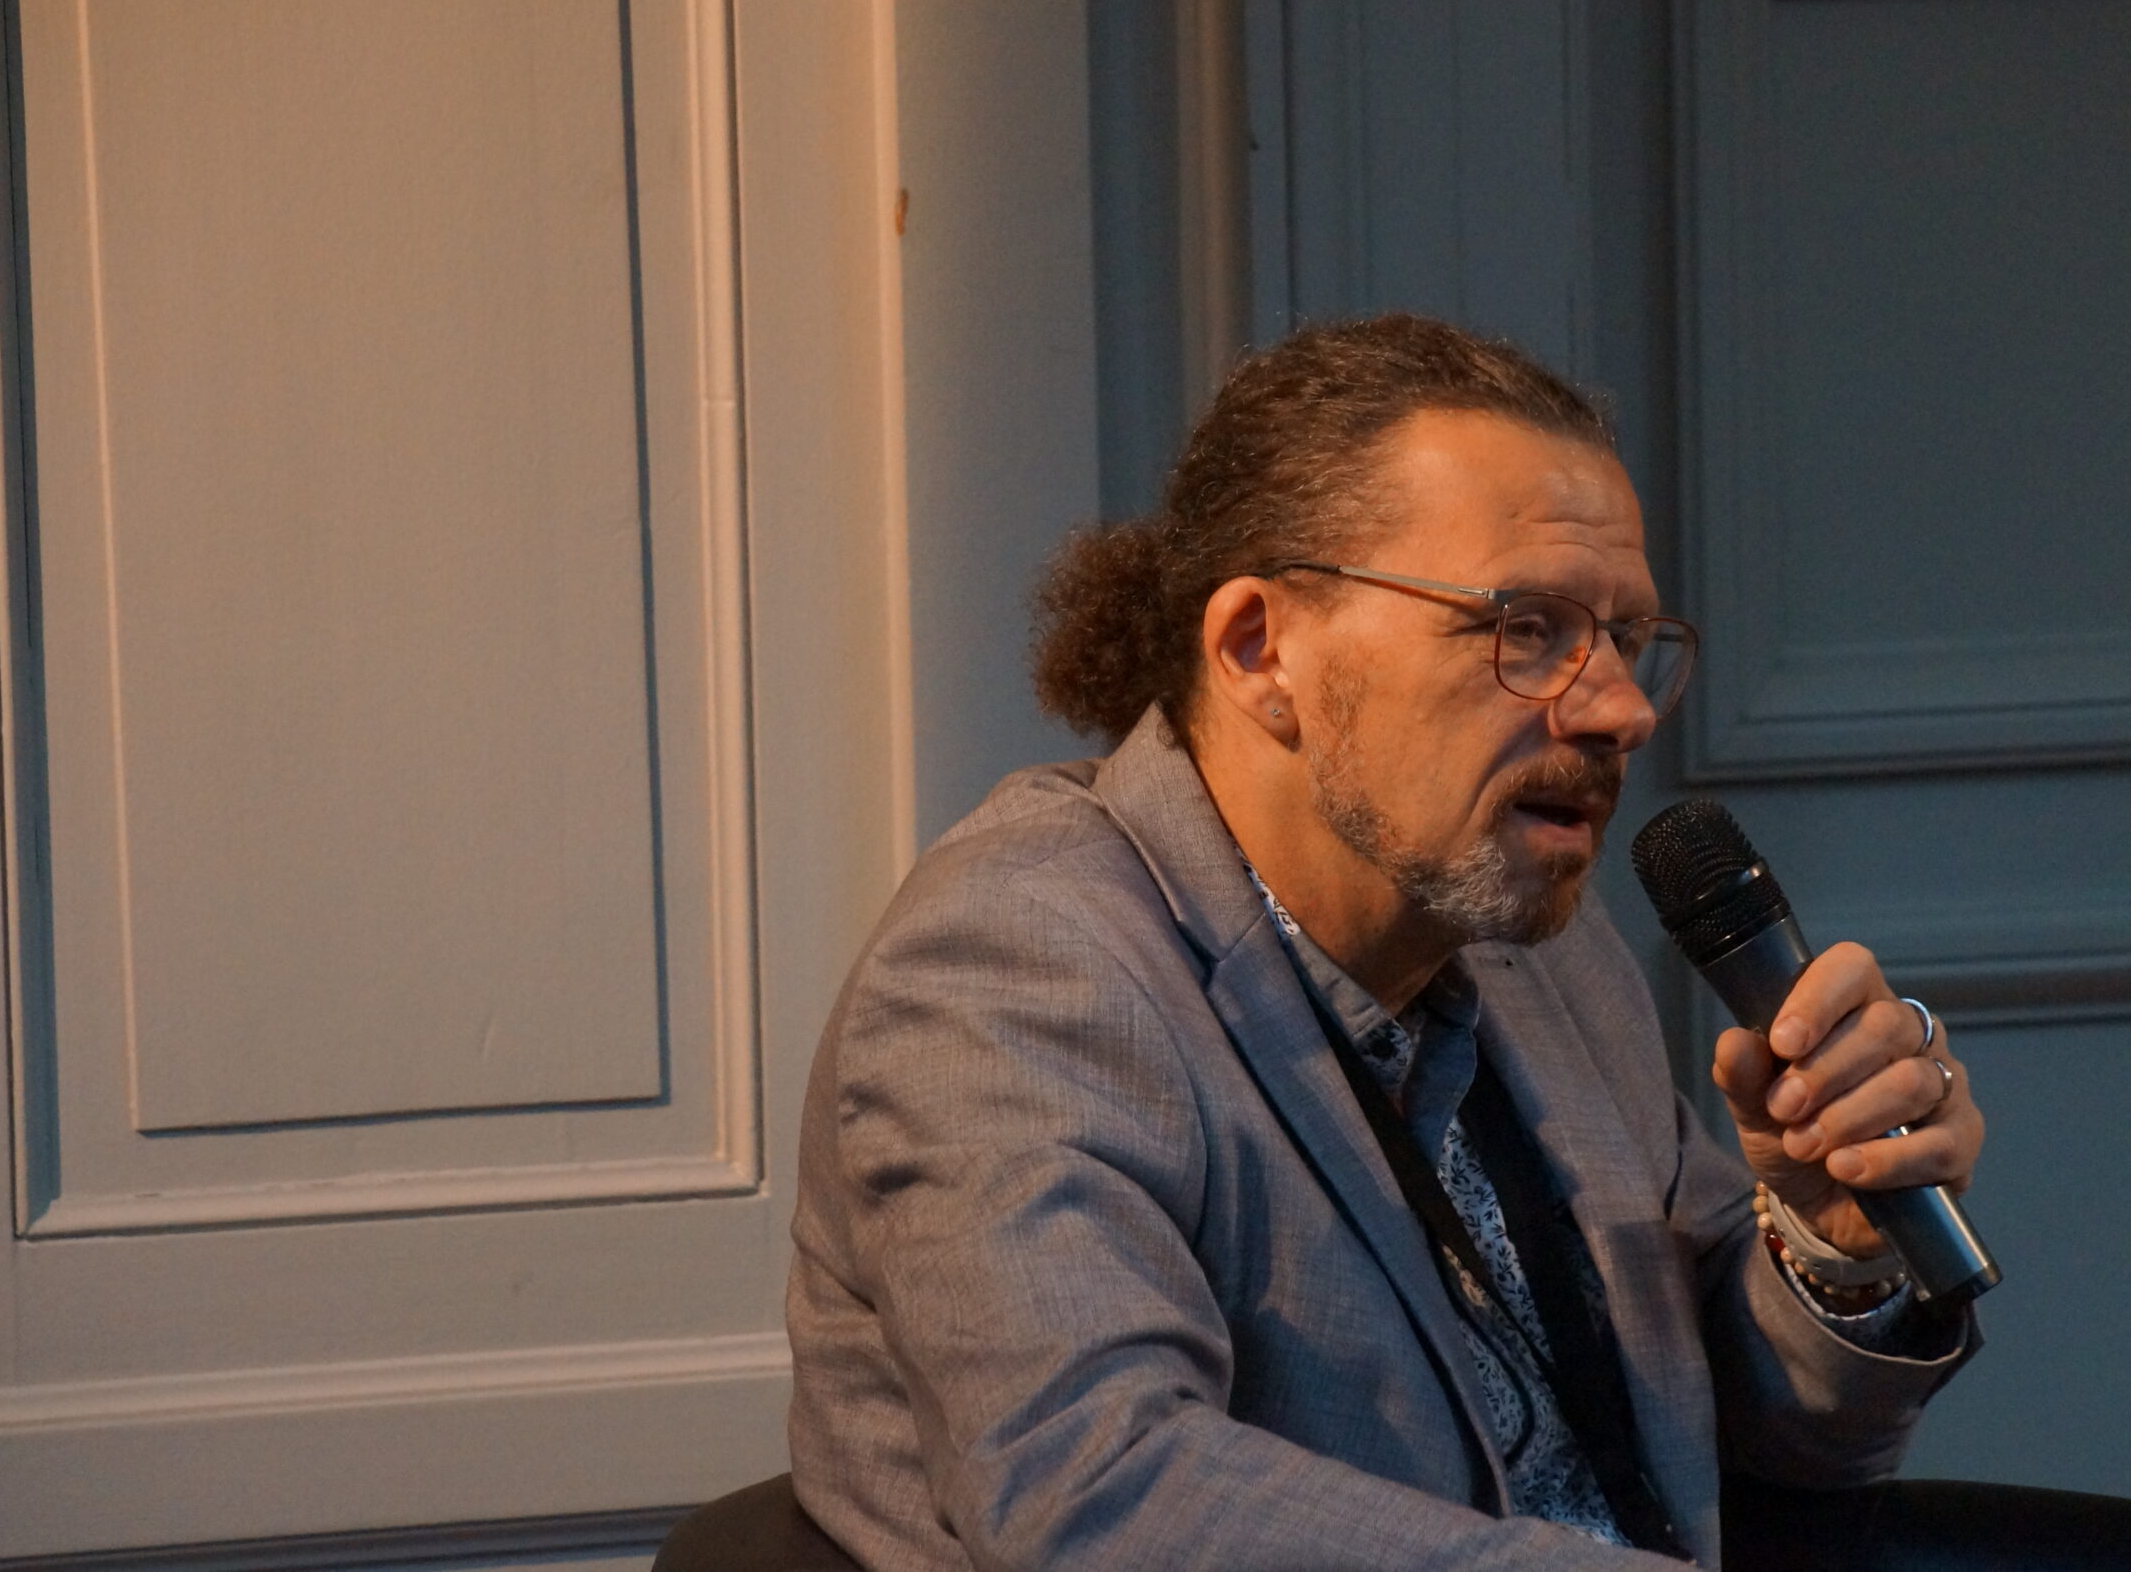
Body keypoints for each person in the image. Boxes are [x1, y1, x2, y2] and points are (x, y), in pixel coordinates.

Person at [786, 315, 1984, 1569]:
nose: (1621, 710)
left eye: (1625, 639)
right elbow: (1099, 1494)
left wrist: (1829, 1249)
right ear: (1260, 650)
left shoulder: (1537, 945)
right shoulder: (1019, 966)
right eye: (1526, 627)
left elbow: (1731, 1441)